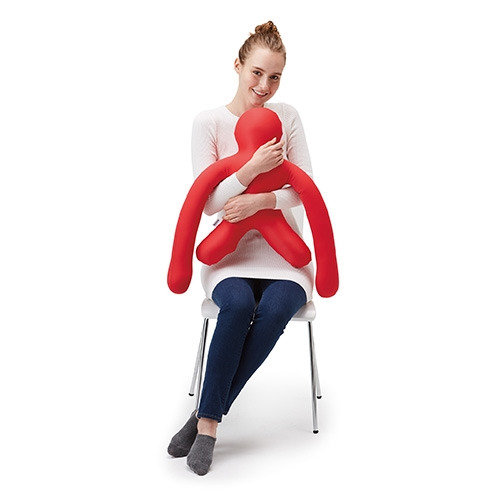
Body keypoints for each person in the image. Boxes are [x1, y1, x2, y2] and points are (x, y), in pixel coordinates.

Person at [167, 21, 315, 475]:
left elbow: (304, 190)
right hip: (229, 251)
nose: (264, 86)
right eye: (256, 73)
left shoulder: (287, 117)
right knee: (236, 304)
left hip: (284, 251)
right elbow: (209, 200)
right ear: (237, 65)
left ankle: (205, 417)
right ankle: (210, 423)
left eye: (275, 77)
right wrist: (250, 169)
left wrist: (263, 201)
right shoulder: (209, 122)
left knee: (276, 308)